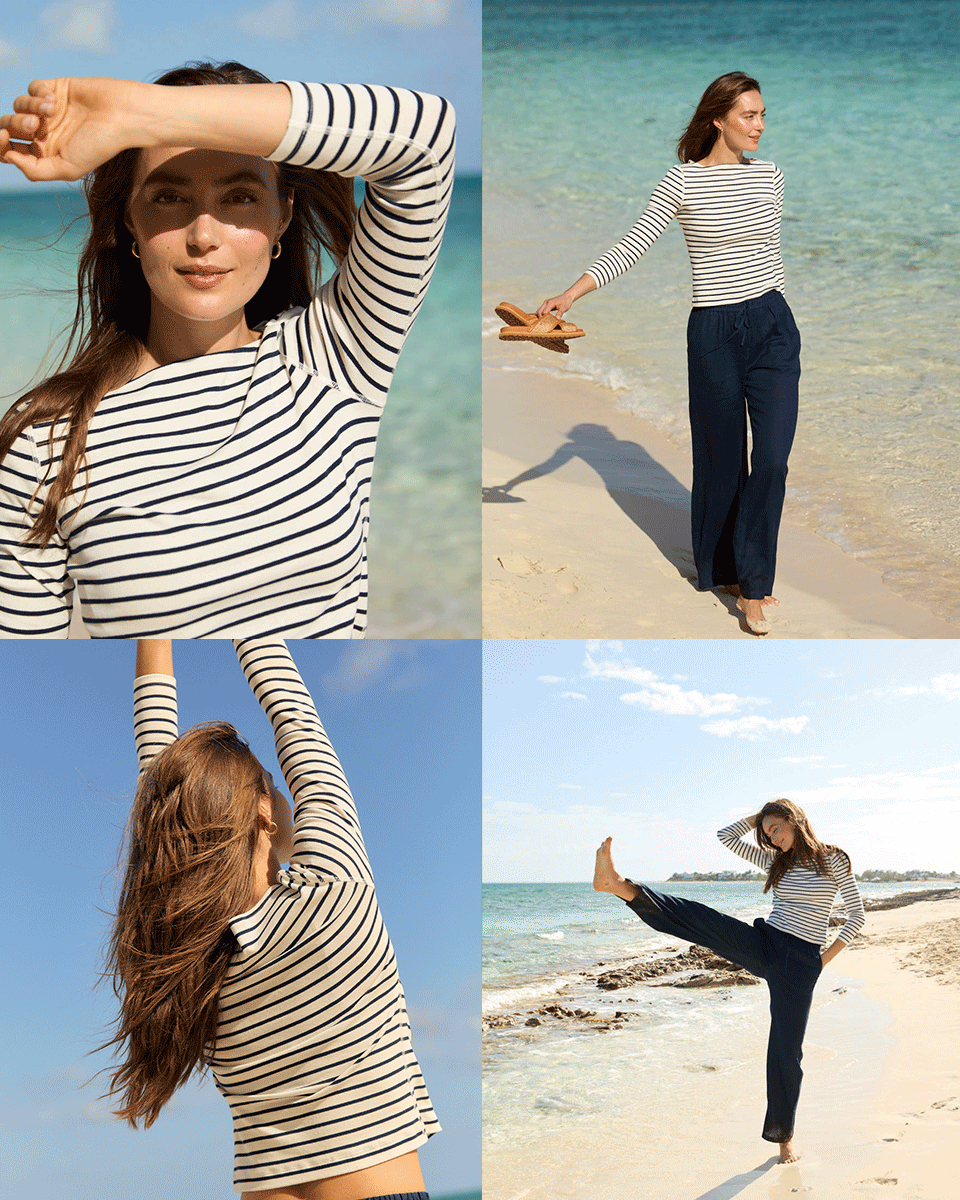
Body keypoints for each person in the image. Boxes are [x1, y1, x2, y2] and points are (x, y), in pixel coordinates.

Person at [0, 66, 454, 637]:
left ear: (282, 214)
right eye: (169, 197)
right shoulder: (46, 441)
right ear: (128, 220)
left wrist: (142, 113)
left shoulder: (335, 357)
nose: (204, 235)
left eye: (239, 197)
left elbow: (426, 139)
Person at [101, 636, 439, 1199]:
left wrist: (154, 623)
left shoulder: (188, 956)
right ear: (264, 809)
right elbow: (297, 721)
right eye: (272, 784)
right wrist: (247, 610)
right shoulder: (333, 891)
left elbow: (165, 797)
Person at [537, 72, 800, 635]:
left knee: (773, 461)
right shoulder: (681, 183)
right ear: (718, 119)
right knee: (724, 460)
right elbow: (632, 245)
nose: (760, 126)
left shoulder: (772, 177)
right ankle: (729, 571)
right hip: (714, 331)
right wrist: (571, 292)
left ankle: (754, 585)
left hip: (774, 325)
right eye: (748, 115)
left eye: (762, 115)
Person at [592, 799, 865, 1163]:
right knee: (703, 919)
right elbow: (727, 837)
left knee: (786, 1051)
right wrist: (762, 817)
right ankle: (619, 886)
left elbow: (857, 916)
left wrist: (821, 960)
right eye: (767, 833)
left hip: (801, 964)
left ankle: (784, 1139)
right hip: (767, 942)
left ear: (794, 820)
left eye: (776, 829)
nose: (772, 838)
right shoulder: (775, 862)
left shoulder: (834, 860)